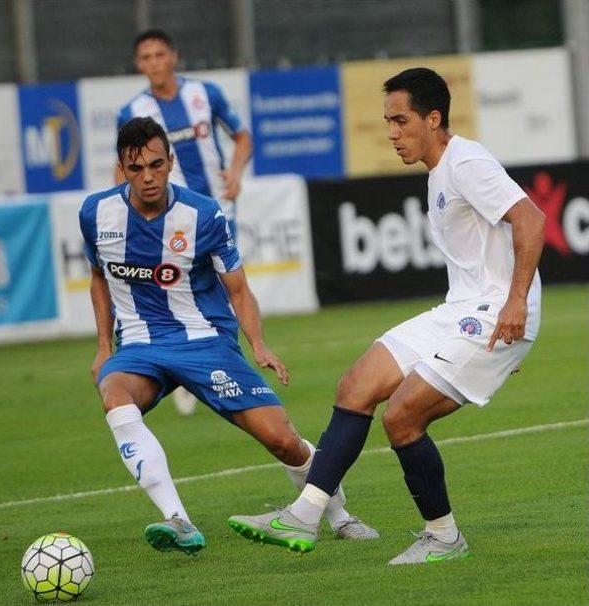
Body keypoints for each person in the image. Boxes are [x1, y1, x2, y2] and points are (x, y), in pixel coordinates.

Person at [228, 68, 546, 564]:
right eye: (387, 122)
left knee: (401, 418)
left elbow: (531, 217)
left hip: (490, 312)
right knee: (356, 384)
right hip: (465, 310)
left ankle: (443, 537)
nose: (392, 133)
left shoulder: (466, 162)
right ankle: (304, 516)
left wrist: (515, 306)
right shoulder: (440, 171)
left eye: (400, 121)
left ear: (433, 117)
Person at [80, 117, 377, 556]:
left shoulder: (202, 214)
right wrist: (105, 348)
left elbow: (238, 287)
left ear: (170, 162)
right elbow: (99, 279)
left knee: (281, 438)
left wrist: (258, 344)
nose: (148, 177)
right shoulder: (95, 212)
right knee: (115, 395)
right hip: (141, 345)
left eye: (156, 165)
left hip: (206, 342)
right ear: (121, 168)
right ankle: (177, 520)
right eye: (136, 168)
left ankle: (339, 516)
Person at [116, 28, 253, 416]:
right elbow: (122, 168)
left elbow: (241, 136)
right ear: (139, 64)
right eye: (146, 58)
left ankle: (218, 364)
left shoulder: (205, 94)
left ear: (173, 56)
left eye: (160, 54)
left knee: (225, 288)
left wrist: (236, 172)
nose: (155, 63)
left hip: (216, 211)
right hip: (166, 222)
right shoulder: (132, 112)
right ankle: (186, 367)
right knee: (175, 290)